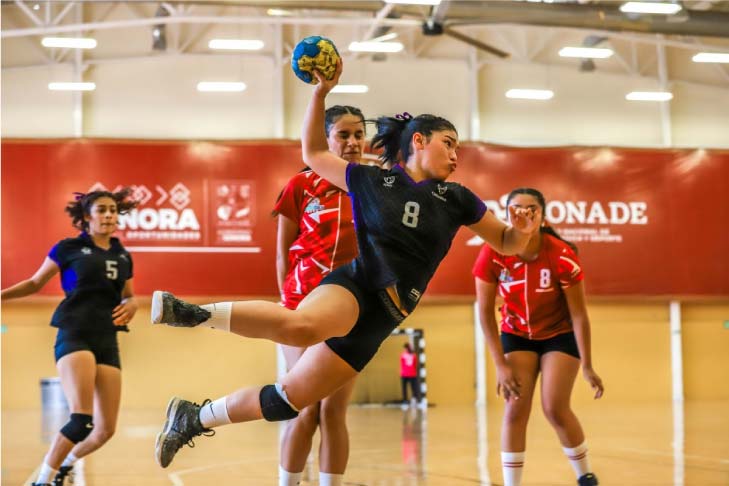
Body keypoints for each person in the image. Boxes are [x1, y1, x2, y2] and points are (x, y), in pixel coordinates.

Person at [149, 60, 539, 473]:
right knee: (302, 326)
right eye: (449, 143)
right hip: (358, 285)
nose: (457, 155)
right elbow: (314, 153)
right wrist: (320, 94)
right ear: (420, 141)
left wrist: (523, 230)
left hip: (383, 318)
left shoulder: (458, 198)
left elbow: (506, 243)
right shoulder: (372, 181)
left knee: (286, 402)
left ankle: (193, 417)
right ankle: (191, 313)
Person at [1, 189, 138, 486]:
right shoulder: (68, 248)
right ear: (87, 217)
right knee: (81, 420)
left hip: (108, 340)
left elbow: (128, 296)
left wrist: (133, 305)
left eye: (113, 210)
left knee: (105, 430)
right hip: (75, 332)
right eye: (101, 210)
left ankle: (66, 463)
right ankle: (43, 481)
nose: (109, 215)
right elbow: (35, 282)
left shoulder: (123, 255)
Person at [472, 187, 605, 486]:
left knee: (554, 407)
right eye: (516, 208)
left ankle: (585, 476)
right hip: (517, 334)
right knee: (515, 406)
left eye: (531, 208)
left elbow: (579, 315)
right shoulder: (492, 253)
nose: (524, 213)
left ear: (542, 216)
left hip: (558, 334)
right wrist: (500, 365)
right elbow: (483, 312)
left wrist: (587, 364)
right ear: (506, 215)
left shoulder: (561, 255)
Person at [273, 105, 368, 486]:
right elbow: (282, 253)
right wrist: (288, 310)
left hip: (353, 310)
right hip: (302, 307)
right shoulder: (300, 185)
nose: (352, 142)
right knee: (304, 407)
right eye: (343, 135)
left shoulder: (374, 187)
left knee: (334, 412)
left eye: (358, 135)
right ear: (325, 139)